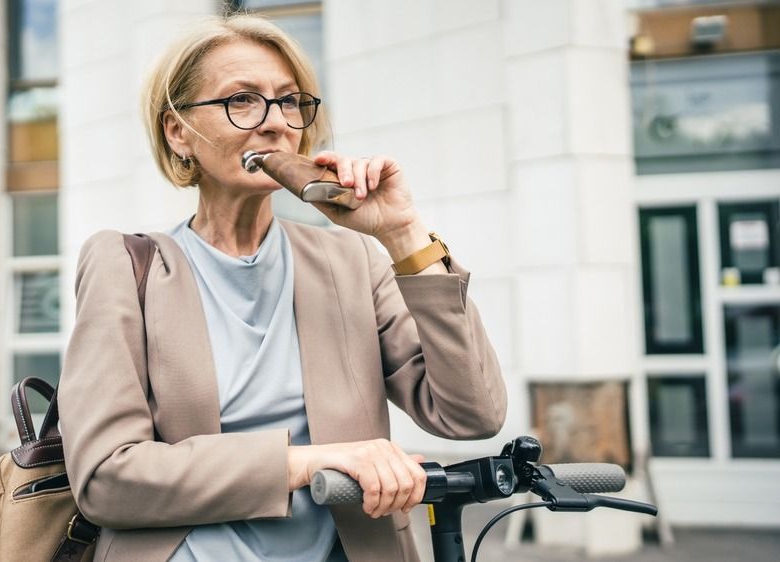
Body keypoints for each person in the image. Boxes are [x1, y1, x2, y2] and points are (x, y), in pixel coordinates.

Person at [58, 13, 507, 562]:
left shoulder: (351, 260)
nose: (274, 123)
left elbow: (472, 414)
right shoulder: (126, 266)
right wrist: (310, 462)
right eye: (241, 100)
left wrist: (403, 232)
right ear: (179, 132)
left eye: (290, 101)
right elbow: (107, 477)